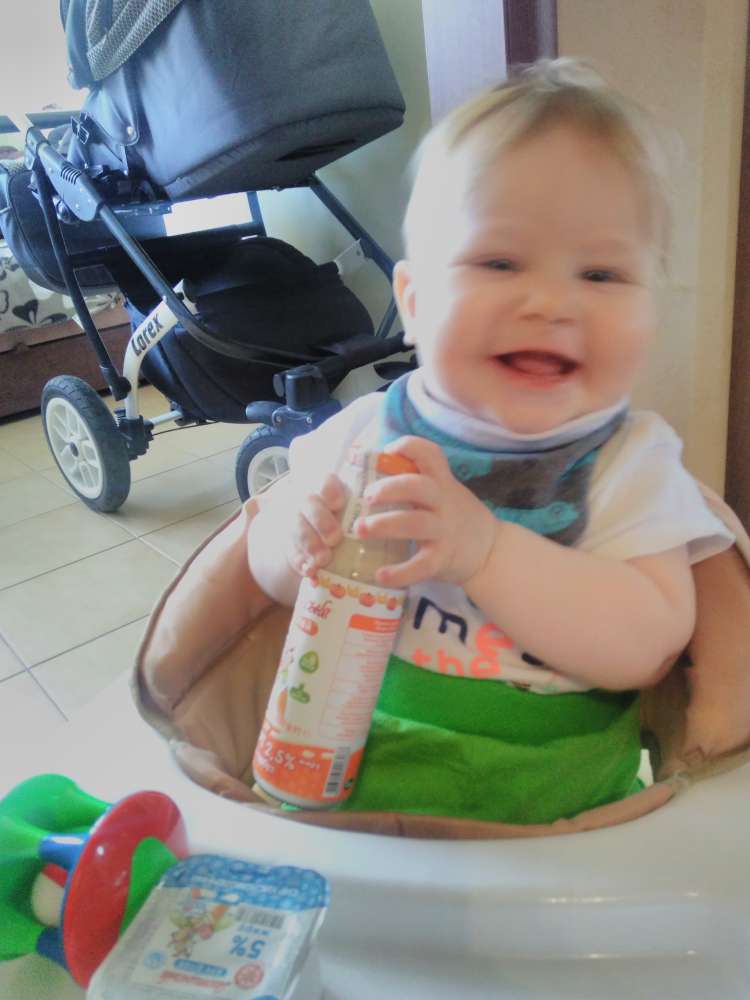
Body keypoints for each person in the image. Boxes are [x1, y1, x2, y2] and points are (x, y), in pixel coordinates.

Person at [247, 59, 734, 824]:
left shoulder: (629, 466)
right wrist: (295, 536)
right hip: (356, 796)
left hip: (558, 819)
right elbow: (271, 576)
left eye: (601, 274)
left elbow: (649, 644)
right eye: (499, 262)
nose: (550, 303)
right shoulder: (366, 433)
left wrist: (488, 553)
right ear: (413, 303)